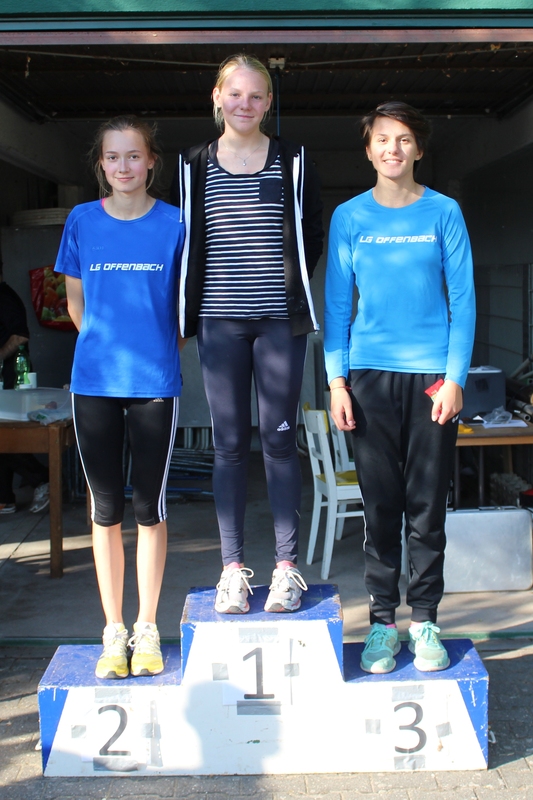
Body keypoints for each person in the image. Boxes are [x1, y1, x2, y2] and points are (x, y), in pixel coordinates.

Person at [324, 101, 475, 674]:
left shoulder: (444, 211)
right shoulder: (349, 217)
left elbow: (464, 301)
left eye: (404, 139)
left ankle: (427, 619)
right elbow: (337, 308)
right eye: (383, 139)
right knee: (381, 506)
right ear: (369, 151)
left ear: (419, 148)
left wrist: (455, 378)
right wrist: (337, 381)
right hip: (368, 377)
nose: (393, 148)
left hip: (432, 379)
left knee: (427, 506)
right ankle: (383, 623)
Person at [171, 54, 323, 614]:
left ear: (268, 103)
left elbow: (311, 232)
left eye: (256, 95)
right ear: (217, 97)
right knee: (229, 445)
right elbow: (185, 239)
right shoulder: (192, 163)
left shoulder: (294, 159)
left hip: (279, 323)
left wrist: (285, 288)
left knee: (280, 442)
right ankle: (232, 569)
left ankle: (286, 569)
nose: (245, 104)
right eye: (234, 93)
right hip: (219, 324)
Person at [55, 116, 185, 679]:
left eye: (134, 156)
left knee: (149, 508)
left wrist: (151, 349)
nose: (124, 166)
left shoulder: (176, 223)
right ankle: (113, 630)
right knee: (104, 509)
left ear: (151, 161)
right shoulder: (82, 220)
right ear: (101, 164)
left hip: (154, 384)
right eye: (113, 157)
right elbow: (75, 304)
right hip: (95, 385)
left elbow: (184, 307)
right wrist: (106, 348)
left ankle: (147, 626)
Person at [0, 267, 49, 514]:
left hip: (13, 379)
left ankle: (43, 478)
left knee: (8, 438)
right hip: (6, 379)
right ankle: (4, 498)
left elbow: (20, 336)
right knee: (4, 437)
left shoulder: (4, 297)